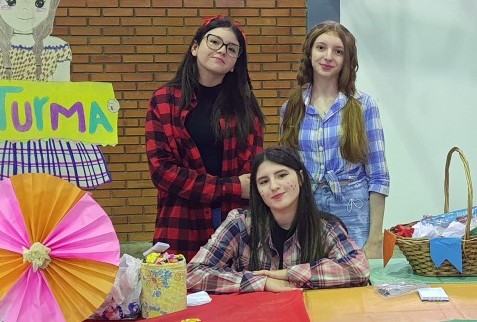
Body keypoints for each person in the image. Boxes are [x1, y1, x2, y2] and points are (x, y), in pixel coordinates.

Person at [0, 0, 115, 189]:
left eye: (39, 2)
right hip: (9, 135)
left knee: (55, 193)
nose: (26, 10)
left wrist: (102, 109)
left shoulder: (57, 47)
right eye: (12, 0)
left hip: (52, 134)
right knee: (16, 194)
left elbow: (64, 94)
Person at [146, 16, 264, 261]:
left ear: (235, 64)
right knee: (180, 283)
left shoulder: (245, 106)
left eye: (231, 49)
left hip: (233, 219)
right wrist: (229, 187)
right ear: (195, 47)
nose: (222, 50)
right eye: (214, 42)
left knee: (233, 283)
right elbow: (162, 171)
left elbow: (252, 169)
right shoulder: (164, 100)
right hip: (181, 218)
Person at [187, 146, 370, 293]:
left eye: (282, 175)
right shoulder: (240, 222)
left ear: (300, 178)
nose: (274, 186)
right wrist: (262, 282)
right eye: (263, 181)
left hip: (311, 320)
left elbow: (358, 268)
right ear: (257, 190)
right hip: (255, 320)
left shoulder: (325, 227)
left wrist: (289, 274)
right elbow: (193, 273)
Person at [279, 21, 389, 258]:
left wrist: (375, 239)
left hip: (353, 209)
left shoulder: (363, 106)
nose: (328, 56)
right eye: (321, 47)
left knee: (354, 277)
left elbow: (379, 176)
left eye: (338, 51)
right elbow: (287, 172)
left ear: (347, 60)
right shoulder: (291, 108)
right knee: (311, 275)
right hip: (308, 209)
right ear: (309, 53)